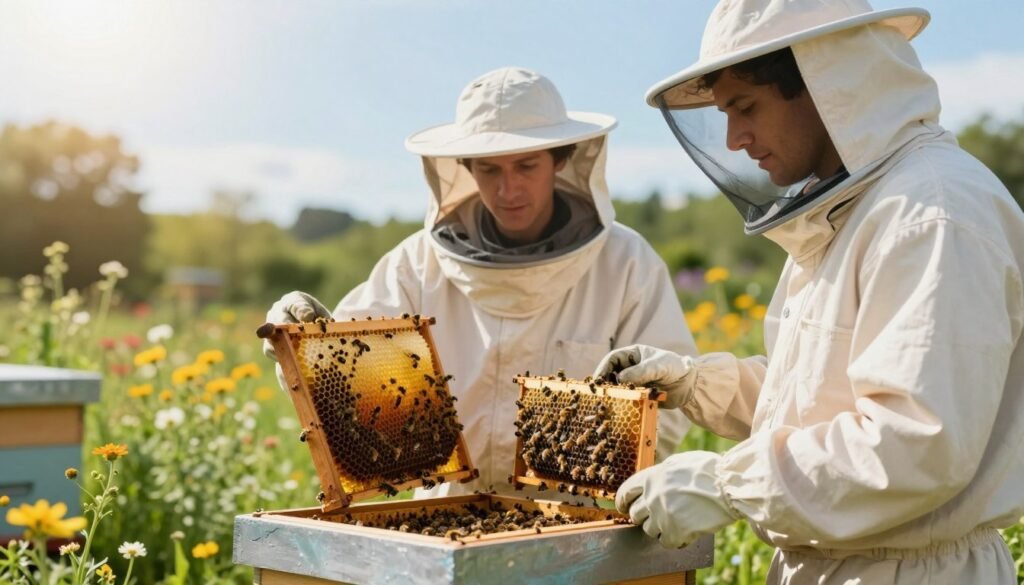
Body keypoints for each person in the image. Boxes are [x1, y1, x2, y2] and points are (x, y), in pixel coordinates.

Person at [595, 0, 1024, 582]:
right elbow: (819, 399)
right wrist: (700, 384)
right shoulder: (852, 213)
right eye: (724, 113)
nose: (735, 138)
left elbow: (913, 444)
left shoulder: (929, 213)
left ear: (828, 85)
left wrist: (728, 484)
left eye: (745, 107)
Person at [266, 66, 696, 497]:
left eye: (526, 165)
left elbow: (668, 396)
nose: (508, 189)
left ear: (561, 159)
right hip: (443, 517)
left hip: (573, 522)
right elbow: (344, 389)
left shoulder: (625, 263)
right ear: (466, 167)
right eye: (489, 170)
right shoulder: (414, 265)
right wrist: (297, 347)